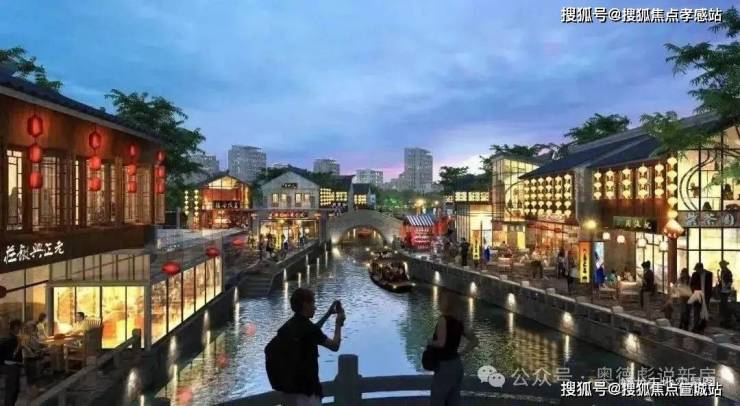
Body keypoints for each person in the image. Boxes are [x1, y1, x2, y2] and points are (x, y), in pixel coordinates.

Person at [279, 288, 345, 406]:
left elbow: (314, 329)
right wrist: (338, 323)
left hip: (288, 392)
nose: (315, 307)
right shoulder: (309, 329)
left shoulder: (287, 327)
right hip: (307, 393)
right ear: (305, 304)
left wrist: (328, 314)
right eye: (313, 303)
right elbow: (335, 346)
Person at [428, 290, 479, 406]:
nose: (439, 302)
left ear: (446, 304)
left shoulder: (443, 320)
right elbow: (475, 341)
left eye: (441, 300)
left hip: (444, 366)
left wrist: (429, 341)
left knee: (437, 400)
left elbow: (441, 343)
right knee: (453, 400)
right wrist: (461, 353)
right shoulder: (460, 322)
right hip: (457, 365)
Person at [20, 320, 45, 398]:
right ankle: (31, 392)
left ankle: (34, 389)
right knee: (30, 376)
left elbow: (37, 345)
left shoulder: (33, 336)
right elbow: (24, 346)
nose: (33, 328)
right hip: (29, 358)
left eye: (33, 327)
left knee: (35, 374)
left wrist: (40, 349)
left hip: (34, 358)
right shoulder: (25, 336)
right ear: (27, 328)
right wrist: (32, 352)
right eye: (31, 327)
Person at [1, 319, 23, 406]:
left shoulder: (11, 337)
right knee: (12, 390)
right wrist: (19, 346)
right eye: (19, 327)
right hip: (11, 367)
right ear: (15, 327)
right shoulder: (11, 339)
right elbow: (12, 355)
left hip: (12, 366)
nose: (20, 329)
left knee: (14, 389)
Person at [690, 262, 713, 333]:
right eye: (696, 269)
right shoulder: (694, 274)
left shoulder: (709, 274)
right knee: (696, 311)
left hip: (706, 296)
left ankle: (702, 327)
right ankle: (695, 326)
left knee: (704, 312)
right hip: (697, 296)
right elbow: (691, 285)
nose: (696, 271)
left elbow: (709, 286)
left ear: (701, 268)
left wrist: (708, 295)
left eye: (697, 269)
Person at [719, 260, 734, 328]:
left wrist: (726, 286)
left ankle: (728, 320)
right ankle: (724, 320)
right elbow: (722, 280)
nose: (721, 266)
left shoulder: (728, 272)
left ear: (724, 265)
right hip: (723, 291)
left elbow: (730, 281)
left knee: (727, 306)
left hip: (727, 291)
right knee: (723, 306)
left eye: (721, 265)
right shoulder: (722, 271)